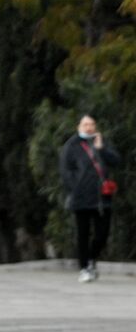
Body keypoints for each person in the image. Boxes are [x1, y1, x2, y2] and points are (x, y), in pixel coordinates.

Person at [60, 115, 121, 282]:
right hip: (81, 199)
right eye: (85, 124)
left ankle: (92, 259)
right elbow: (65, 171)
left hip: (102, 197)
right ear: (78, 126)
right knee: (83, 234)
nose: (89, 127)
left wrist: (101, 149)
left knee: (102, 234)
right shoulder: (71, 146)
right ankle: (84, 268)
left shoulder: (101, 141)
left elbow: (116, 161)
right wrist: (76, 188)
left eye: (92, 124)